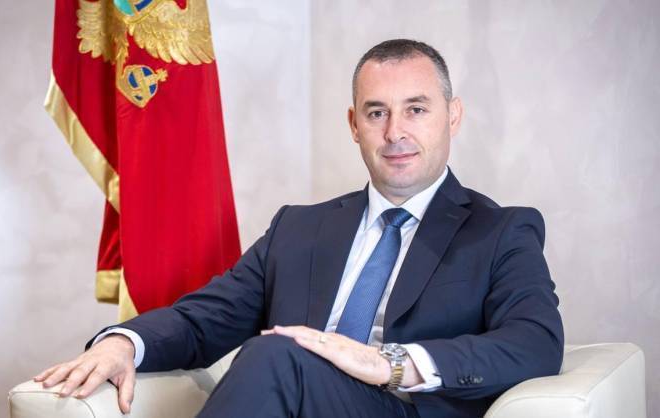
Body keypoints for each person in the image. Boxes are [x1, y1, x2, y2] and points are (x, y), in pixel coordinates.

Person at [35, 39, 564, 418]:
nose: (395, 132)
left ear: (452, 116)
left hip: (403, 408)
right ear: (354, 125)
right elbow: (204, 320)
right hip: (291, 401)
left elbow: (535, 342)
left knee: (275, 354)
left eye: (416, 110)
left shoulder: (500, 230)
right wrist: (123, 343)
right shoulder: (299, 228)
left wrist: (388, 363)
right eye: (376, 113)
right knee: (277, 356)